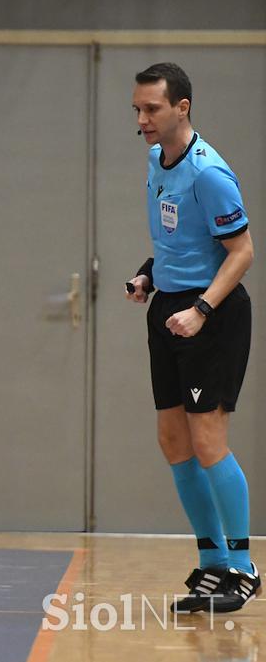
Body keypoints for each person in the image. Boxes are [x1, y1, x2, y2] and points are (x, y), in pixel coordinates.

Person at [126, 63, 259, 613]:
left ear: (182, 107)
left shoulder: (209, 172)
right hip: (170, 312)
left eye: (152, 109)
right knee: (173, 441)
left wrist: (203, 308)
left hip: (214, 315)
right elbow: (177, 242)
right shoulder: (157, 162)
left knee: (208, 442)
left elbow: (243, 252)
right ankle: (212, 563)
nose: (142, 120)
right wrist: (149, 276)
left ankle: (245, 567)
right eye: (137, 109)